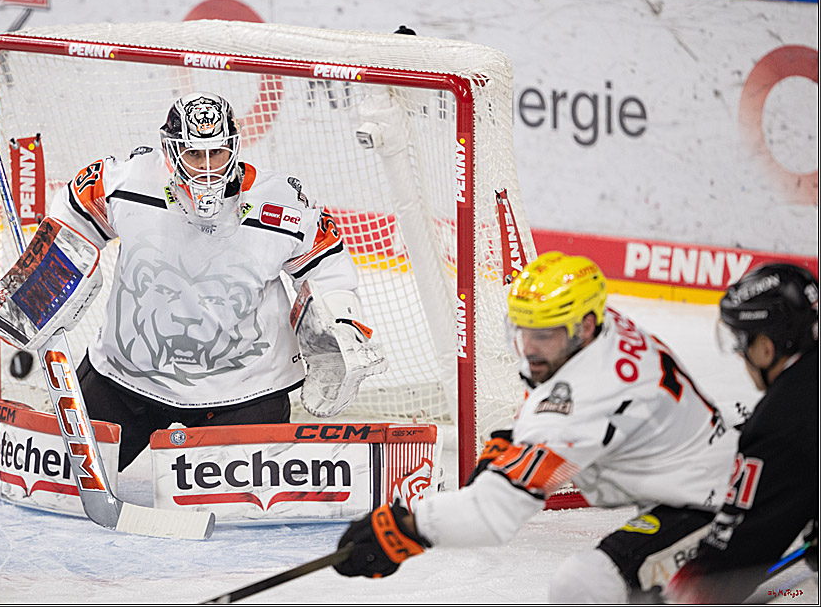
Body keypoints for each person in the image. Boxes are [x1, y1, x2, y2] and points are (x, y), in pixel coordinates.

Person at [332, 251, 739, 603]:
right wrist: (516, 442)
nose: (529, 348)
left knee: (584, 584)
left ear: (583, 326)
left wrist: (404, 527)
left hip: (716, 503)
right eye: (524, 330)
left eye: (543, 335)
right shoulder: (601, 328)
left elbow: (493, 516)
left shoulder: (587, 397)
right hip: (701, 470)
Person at [45, 92, 385, 471]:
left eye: (218, 153)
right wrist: (41, 289)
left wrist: (338, 332)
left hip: (244, 391)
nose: (207, 168)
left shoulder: (282, 204)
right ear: (169, 150)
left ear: (234, 147)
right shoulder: (125, 182)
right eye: (194, 154)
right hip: (126, 379)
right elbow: (71, 219)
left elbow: (327, 268)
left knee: (241, 515)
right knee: (64, 484)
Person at [665, 263, 819, 604]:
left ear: (766, 347)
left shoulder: (783, 420)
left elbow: (736, 552)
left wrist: (685, 593)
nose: (740, 354)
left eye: (742, 342)